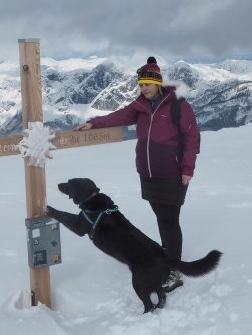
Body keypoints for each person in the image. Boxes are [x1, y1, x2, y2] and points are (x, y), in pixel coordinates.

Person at [74, 56, 201, 291]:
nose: (144, 89)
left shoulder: (178, 104)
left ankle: (173, 269)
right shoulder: (140, 106)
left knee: (169, 220)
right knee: (161, 218)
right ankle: (166, 259)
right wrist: (93, 123)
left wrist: (187, 169)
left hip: (172, 173)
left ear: (159, 83)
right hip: (148, 173)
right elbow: (119, 116)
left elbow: (192, 138)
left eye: (148, 85)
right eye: (141, 85)